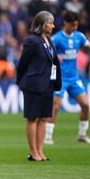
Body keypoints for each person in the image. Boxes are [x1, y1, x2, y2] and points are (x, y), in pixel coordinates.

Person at [44, 10, 90, 145]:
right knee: (55, 106)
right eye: (73, 25)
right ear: (65, 23)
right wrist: (55, 57)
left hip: (74, 78)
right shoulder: (57, 38)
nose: (75, 27)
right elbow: (46, 53)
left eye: (76, 25)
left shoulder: (79, 36)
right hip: (60, 78)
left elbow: (88, 46)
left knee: (85, 105)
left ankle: (82, 135)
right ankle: (48, 136)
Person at [16, 11, 62, 161]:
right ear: (41, 25)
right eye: (50, 23)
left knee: (43, 118)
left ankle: (40, 151)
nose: (53, 26)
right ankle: (33, 151)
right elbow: (22, 63)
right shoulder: (32, 41)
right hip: (33, 85)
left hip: (47, 84)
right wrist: (22, 82)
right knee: (32, 118)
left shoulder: (49, 41)